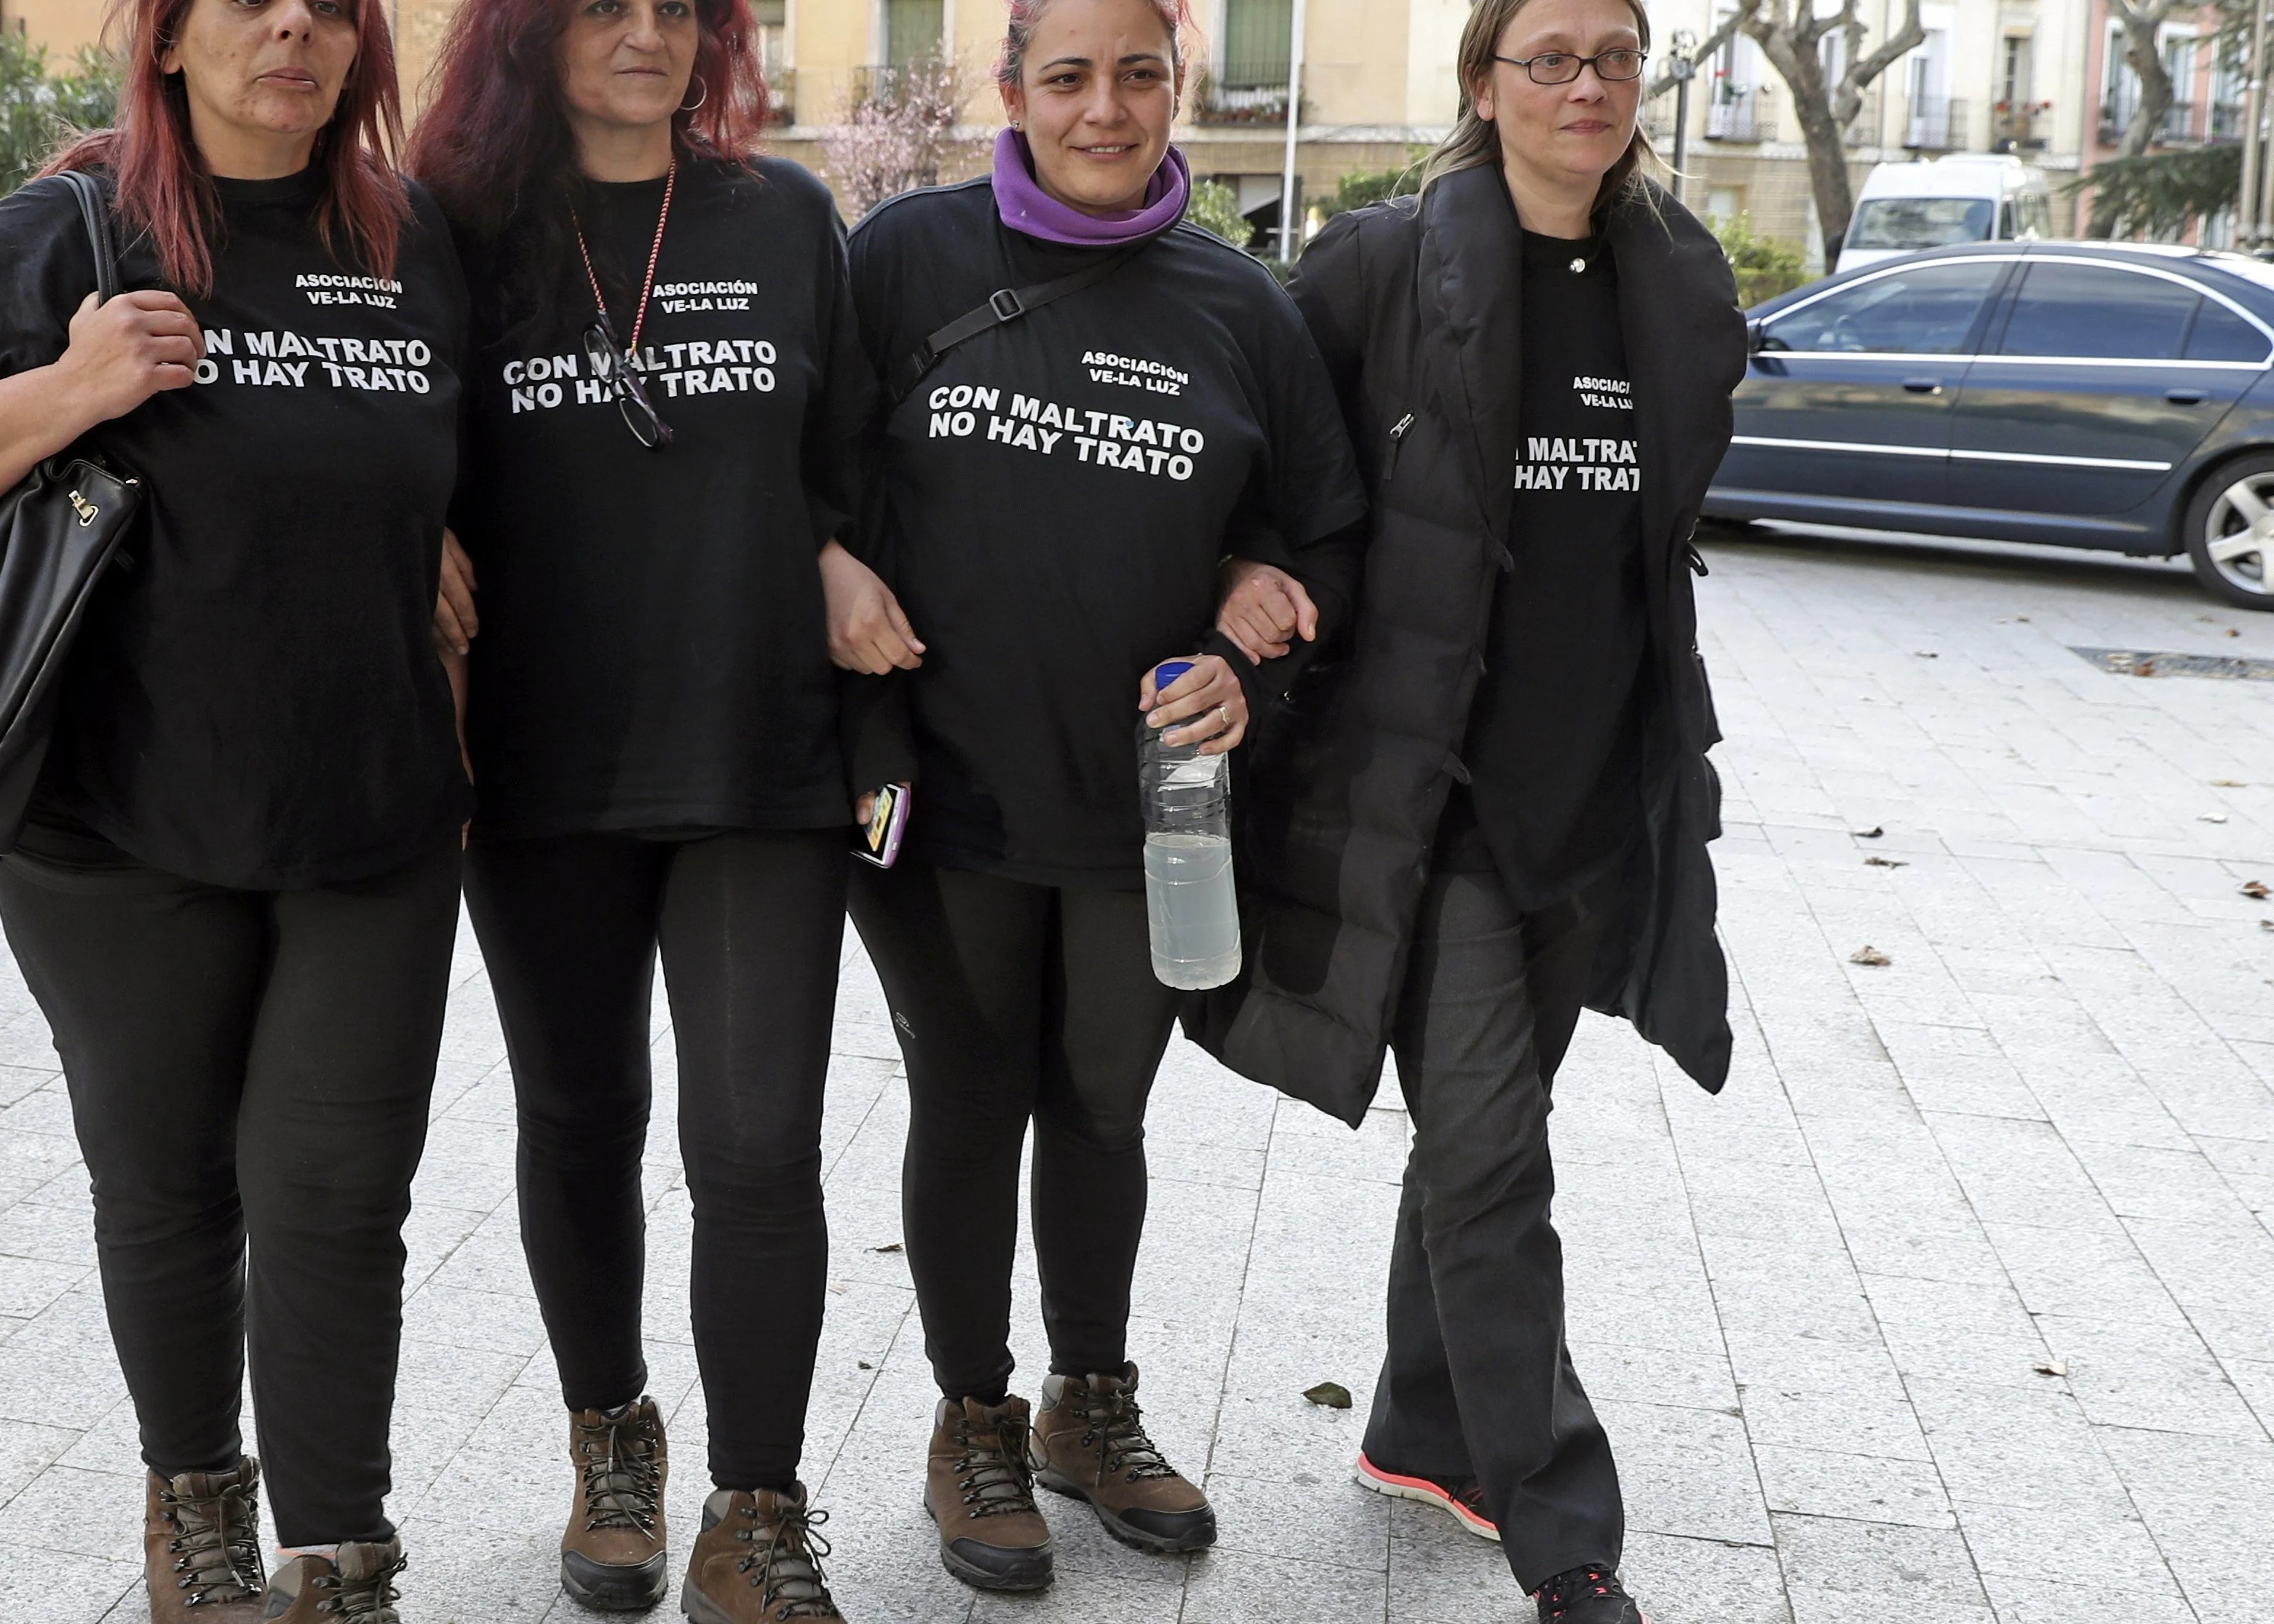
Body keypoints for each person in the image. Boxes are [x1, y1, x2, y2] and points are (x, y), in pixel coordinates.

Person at [0, 0, 469, 1617]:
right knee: (168, 1179)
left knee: (338, 1194)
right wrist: (74, 383)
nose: (294, 29)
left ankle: (337, 1545)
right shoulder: (74, 227)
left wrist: (440, 542)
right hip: (114, 821)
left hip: (372, 807)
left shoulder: (407, 238)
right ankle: (194, 1497)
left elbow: (444, 461)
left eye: (330, 8)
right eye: (250, 3)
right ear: (171, 41)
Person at [1191, 1, 1740, 1619]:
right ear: (1483, 84)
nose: (1589, 87)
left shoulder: (1679, 277)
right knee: (1497, 1150)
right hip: (1433, 803)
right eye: (1552, 57)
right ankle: (1562, 1528)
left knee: (1474, 1143)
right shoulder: (1378, 266)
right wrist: (1242, 590)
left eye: (1617, 58)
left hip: (1596, 797)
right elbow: (1268, 465)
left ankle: (1426, 1422)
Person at [838, 0, 1366, 1592]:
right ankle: (974, 1417)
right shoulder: (904, 261)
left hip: (1147, 809)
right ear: (1011, 92)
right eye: (1068, 76)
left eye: (1139, 73)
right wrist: (821, 567)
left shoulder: (1238, 303)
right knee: (970, 1092)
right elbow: (799, 464)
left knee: (1102, 1104)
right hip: (939, 789)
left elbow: (1323, 530)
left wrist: (1245, 654)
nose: (1105, 107)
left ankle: (1090, 1399)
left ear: (1175, 87)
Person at [410, 0, 876, 1617]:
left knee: (757, 1143)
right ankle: (612, 1439)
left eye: (676, 7)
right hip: (540, 758)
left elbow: (849, 461)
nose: (645, 34)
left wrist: (824, 545)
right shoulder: (460, 231)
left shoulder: (788, 217)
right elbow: (385, 444)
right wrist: (414, 547)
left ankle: (758, 1505)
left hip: (757, 749)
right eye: (603, 5)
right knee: (580, 1118)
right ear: (527, 36)